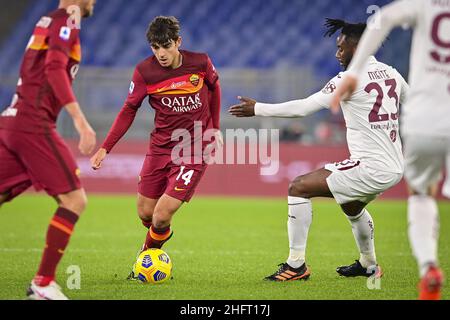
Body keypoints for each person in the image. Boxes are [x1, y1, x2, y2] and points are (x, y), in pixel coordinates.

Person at [229, 18, 409, 282]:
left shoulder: (348, 79)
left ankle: (296, 266)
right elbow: (412, 102)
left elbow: (304, 107)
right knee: (351, 205)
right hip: (394, 165)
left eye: (342, 48)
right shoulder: (392, 73)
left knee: (298, 187)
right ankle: (369, 264)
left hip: (371, 166)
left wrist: (257, 108)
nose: (337, 54)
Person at [331, 0, 448, 300]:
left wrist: (355, 72)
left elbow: (382, 19)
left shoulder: (427, 5)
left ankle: (429, 267)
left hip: (426, 116)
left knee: (422, 193)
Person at [90, 16, 222, 279]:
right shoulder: (144, 72)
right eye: (155, 47)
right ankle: (155, 243)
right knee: (146, 213)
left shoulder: (200, 62)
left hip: (194, 148)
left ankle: (143, 260)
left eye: (166, 46)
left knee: (161, 215)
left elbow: (214, 88)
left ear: (178, 42)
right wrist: (106, 147)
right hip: (160, 147)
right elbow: (129, 109)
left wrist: (215, 127)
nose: (161, 53)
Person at [0, 0, 97, 300]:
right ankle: (43, 283)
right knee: (74, 200)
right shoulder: (68, 19)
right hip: (33, 124)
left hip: (12, 121)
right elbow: (54, 68)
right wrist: (80, 121)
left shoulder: (46, 20)